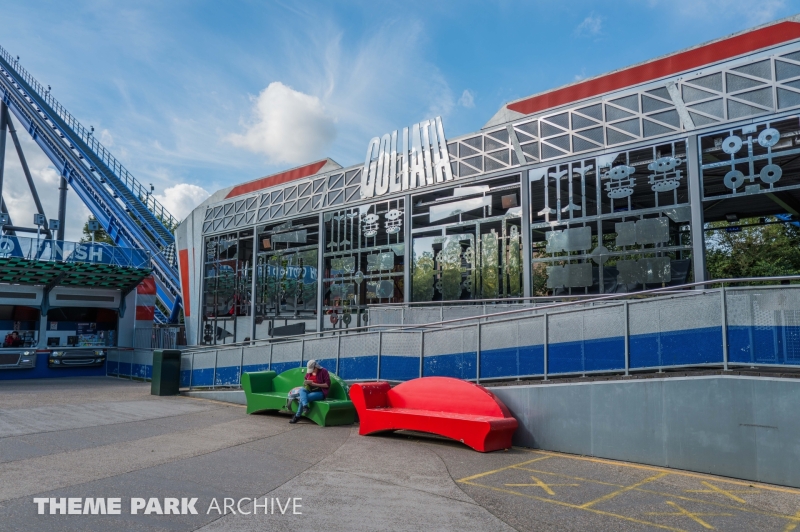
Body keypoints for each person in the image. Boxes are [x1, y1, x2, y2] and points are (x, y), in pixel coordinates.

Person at [290, 359, 330, 424]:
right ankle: (305, 406)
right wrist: (306, 383)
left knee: (303, 398)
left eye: (313, 369)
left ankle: (297, 416)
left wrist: (315, 384)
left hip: (320, 392)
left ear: (316, 367)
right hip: (310, 389)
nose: (312, 371)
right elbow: (306, 380)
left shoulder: (323, 371)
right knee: (302, 390)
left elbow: (327, 385)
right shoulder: (309, 373)